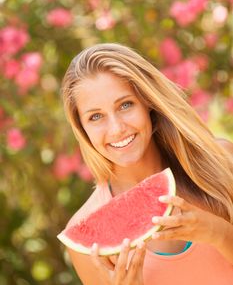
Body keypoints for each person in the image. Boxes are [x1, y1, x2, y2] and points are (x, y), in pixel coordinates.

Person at [59, 43, 233, 285]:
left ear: (147, 103)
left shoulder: (222, 161)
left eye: (125, 105)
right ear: (82, 128)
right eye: (95, 116)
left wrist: (219, 232)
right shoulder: (87, 245)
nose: (117, 129)